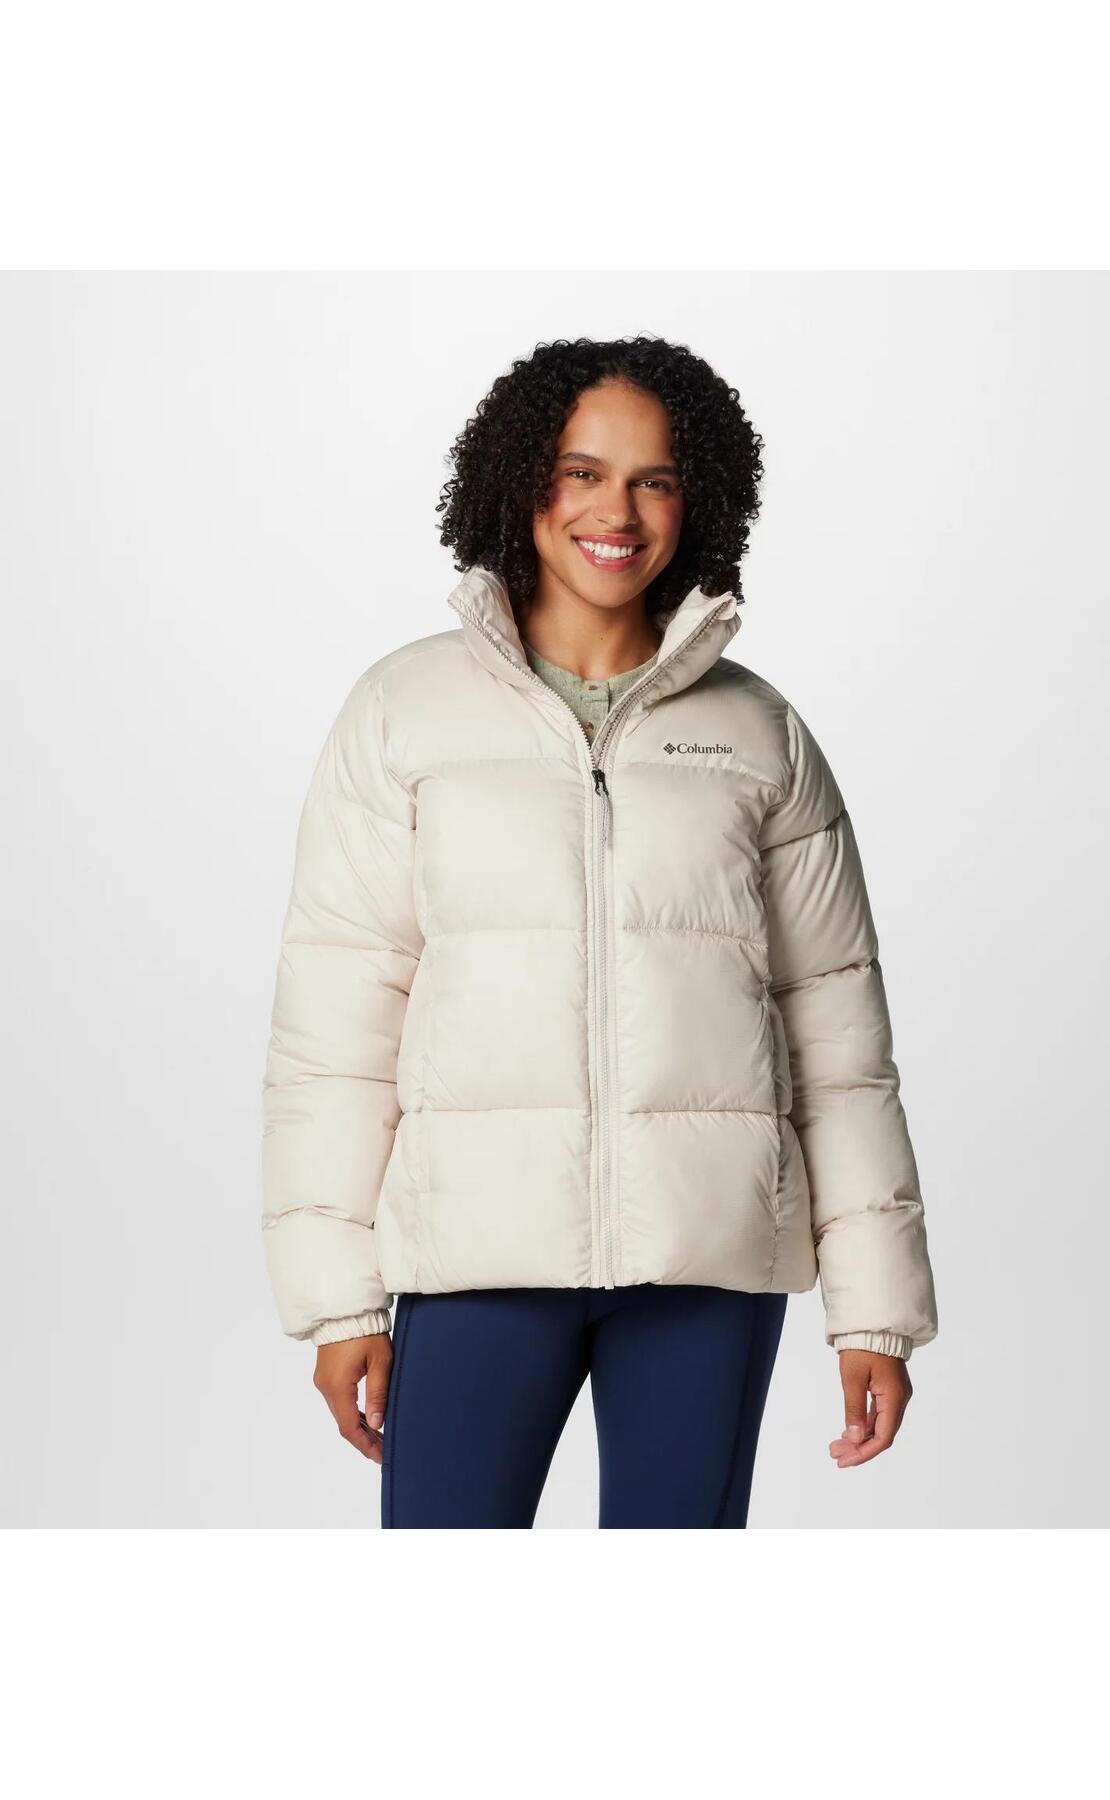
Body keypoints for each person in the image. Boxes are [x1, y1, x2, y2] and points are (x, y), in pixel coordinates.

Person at [260, 334, 938, 1528]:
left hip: (707, 1266)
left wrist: (875, 1312)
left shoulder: (760, 736)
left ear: (697, 500)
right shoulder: (403, 713)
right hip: (475, 1255)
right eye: (582, 473)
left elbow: (838, 1040)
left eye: (653, 480)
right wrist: (338, 1300)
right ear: (522, 482)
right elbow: (336, 1032)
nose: (615, 513)